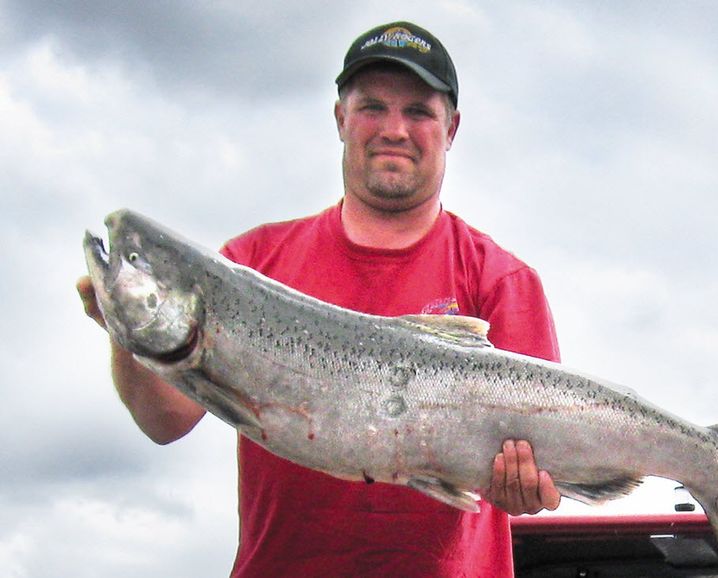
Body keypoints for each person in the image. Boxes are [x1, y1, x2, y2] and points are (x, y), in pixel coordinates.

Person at [77, 21, 562, 578]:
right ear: (340, 119)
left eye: (419, 112)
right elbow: (163, 419)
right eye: (373, 107)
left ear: (451, 129)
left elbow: (541, 474)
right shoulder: (249, 263)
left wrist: (529, 484)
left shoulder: (501, 279)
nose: (394, 129)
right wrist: (124, 328)